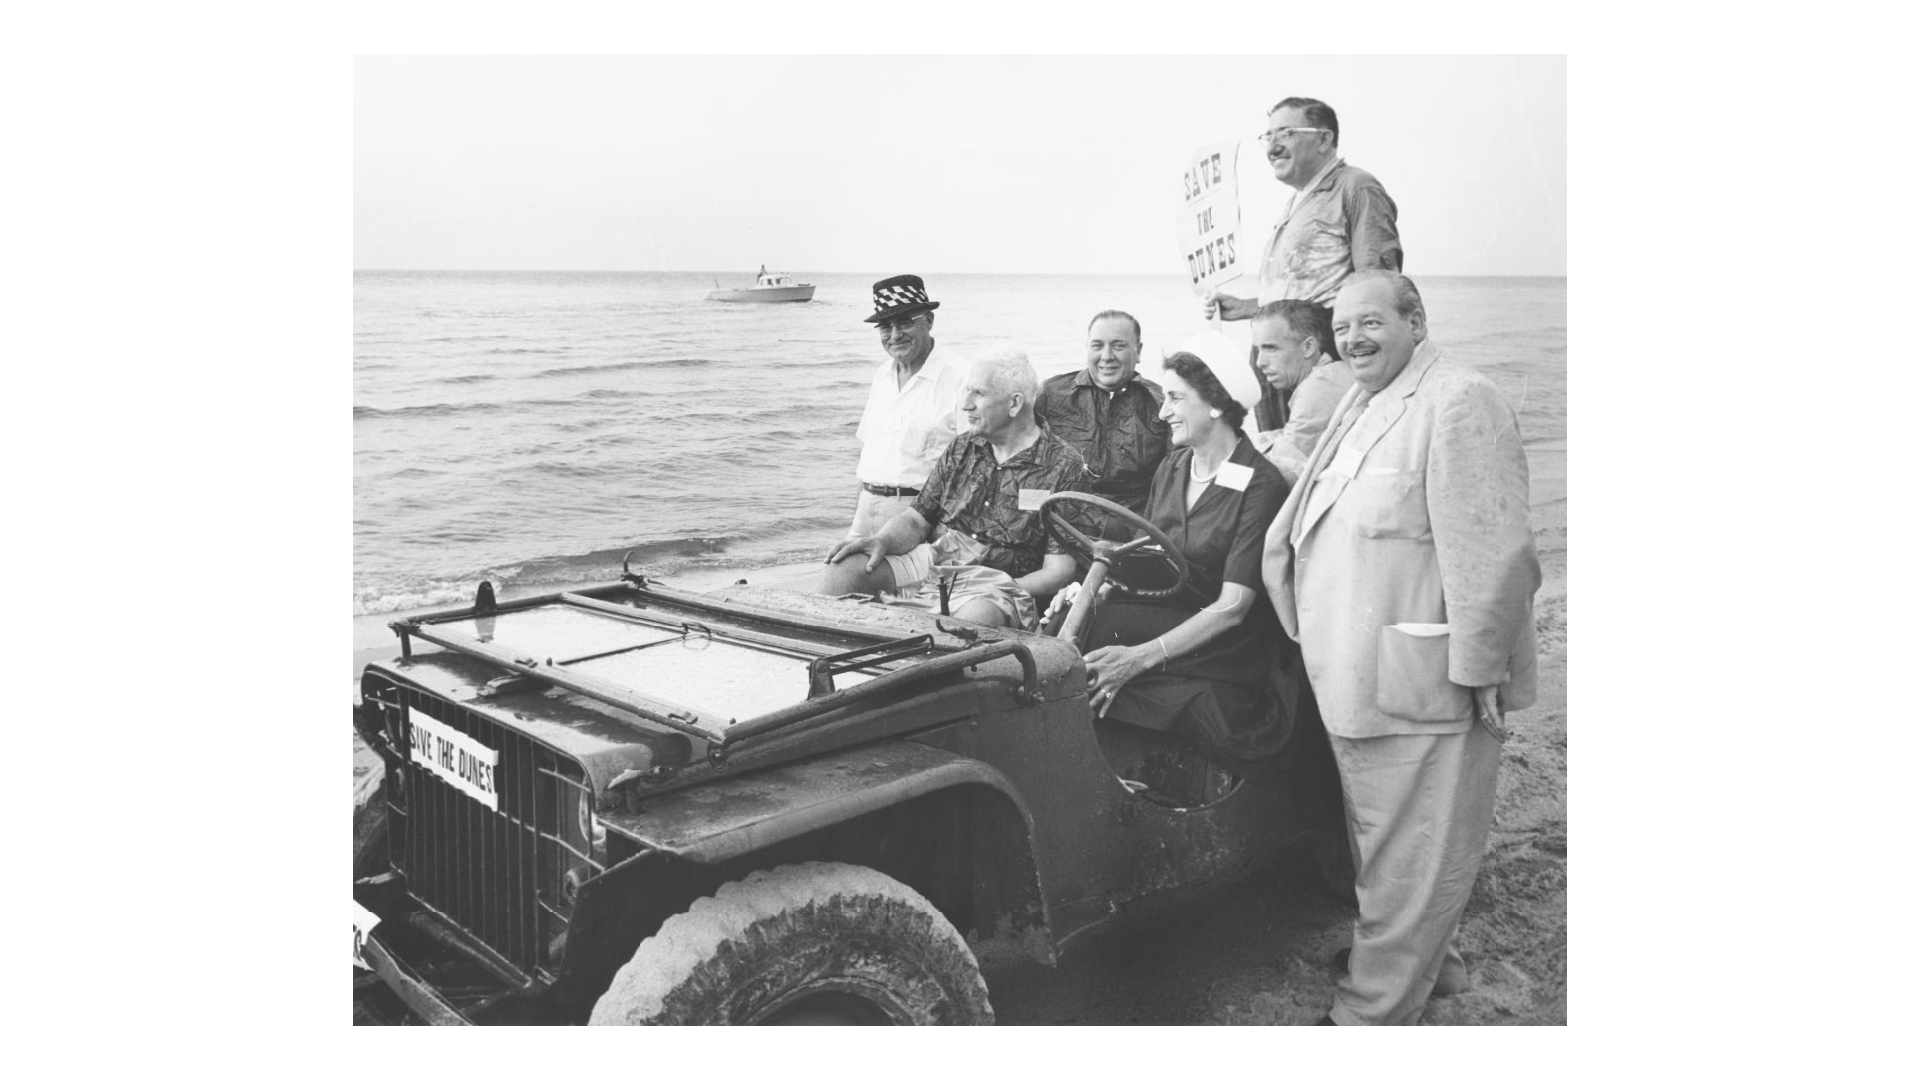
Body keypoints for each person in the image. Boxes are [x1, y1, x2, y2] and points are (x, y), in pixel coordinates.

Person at [1262, 271, 1540, 1026]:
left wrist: (1482, 668)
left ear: (1416, 320)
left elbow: (1496, 550)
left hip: (1423, 676)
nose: (1352, 338)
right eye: (1343, 325)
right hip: (1353, 674)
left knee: (1411, 854)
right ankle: (1434, 969)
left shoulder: (1458, 398)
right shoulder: (1366, 393)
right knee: (1387, 841)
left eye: (1371, 323)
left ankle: (1372, 1008)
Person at [1078, 351, 1304, 779]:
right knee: (1081, 629)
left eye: (1176, 398)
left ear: (1217, 403)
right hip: (1173, 612)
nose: (1163, 412)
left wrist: (1140, 658)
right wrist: (1093, 590)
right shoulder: (1174, 466)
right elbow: (1148, 555)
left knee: (1098, 643)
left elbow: (1233, 607)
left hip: (1231, 642)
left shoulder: (1261, 484)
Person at [822, 350, 1088, 630]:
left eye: (979, 394)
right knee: (844, 570)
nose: (965, 404)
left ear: (1014, 404)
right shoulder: (963, 447)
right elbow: (916, 520)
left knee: (973, 620)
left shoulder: (1064, 466)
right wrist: (882, 540)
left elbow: (1058, 571)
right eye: (966, 391)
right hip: (938, 561)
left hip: (1001, 580)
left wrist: (1002, 585)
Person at [1202, 97, 1401, 425]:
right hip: (1279, 357)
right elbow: (1309, 284)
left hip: (1317, 357)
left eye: (1286, 134)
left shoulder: (1355, 187)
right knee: (1280, 453)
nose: (1273, 148)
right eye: (1268, 137)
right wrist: (1250, 307)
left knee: (1313, 460)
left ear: (1324, 139)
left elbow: (1376, 286)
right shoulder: (1297, 202)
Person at [847, 274, 970, 537]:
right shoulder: (882, 375)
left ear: (928, 321)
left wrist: (945, 527)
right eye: (885, 327)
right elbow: (871, 448)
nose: (894, 335)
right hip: (865, 511)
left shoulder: (961, 377)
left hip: (922, 518)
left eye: (904, 323)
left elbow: (976, 463)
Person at [1033, 310, 1170, 538]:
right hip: (1061, 523)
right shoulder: (1049, 394)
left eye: (1118, 346)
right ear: (1087, 348)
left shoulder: (1163, 404)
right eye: (1097, 346)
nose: (1106, 356)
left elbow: (1174, 486)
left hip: (1133, 530)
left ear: (1139, 351)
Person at [1248, 299, 1355, 486]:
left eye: (1271, 348)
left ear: (1308, 347)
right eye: (1258, 349)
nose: (1260, 362)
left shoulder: (1321, 386)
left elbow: (1276, 476)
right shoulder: (1330, 375)